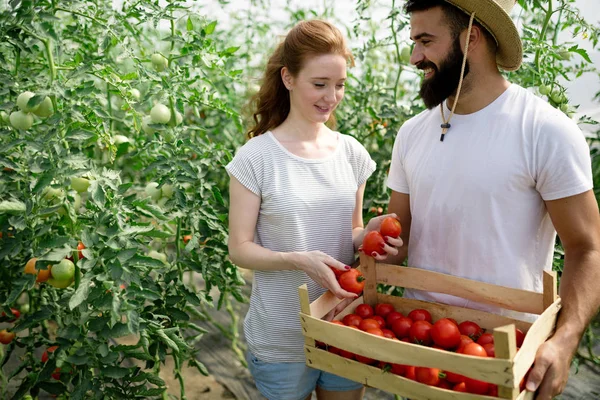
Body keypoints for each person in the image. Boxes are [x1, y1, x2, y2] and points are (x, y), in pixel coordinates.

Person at [375, 1, 600, 399]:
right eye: (414, 42)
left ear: (471, 38)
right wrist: (384, 246)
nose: (414, 57)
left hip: (505, 354)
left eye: (425, 41)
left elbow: (588, 248)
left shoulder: (545, 131)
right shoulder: (412, 133)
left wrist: (566, 338)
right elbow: (401, 234)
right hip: (418, 344)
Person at [226, 20, 399, 400]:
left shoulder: (351, 153)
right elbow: (239, 248)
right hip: (283, 335)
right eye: (319, 84)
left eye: (339, 85)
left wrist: (372, 233)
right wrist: (298, 259)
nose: (331, 97)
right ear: (288, 78)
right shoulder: (256, 158)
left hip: (344, 323)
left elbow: (350, 232)